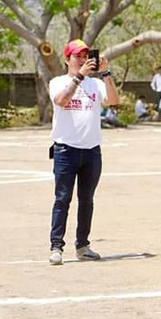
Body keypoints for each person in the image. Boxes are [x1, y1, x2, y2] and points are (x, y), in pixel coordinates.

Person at [47, 39, 119, 265]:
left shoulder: (95, 85)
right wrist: (78, 77)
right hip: (65, 150)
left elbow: (114, 102)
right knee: (62, 199)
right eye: (78, 55)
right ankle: (56, 246)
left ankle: (82, 244)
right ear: (67, 59)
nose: (83, 59)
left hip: (91, 151)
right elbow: (60, 100)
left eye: (86, 55)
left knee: (86, 200)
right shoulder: (58, 82)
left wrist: (106, 74)